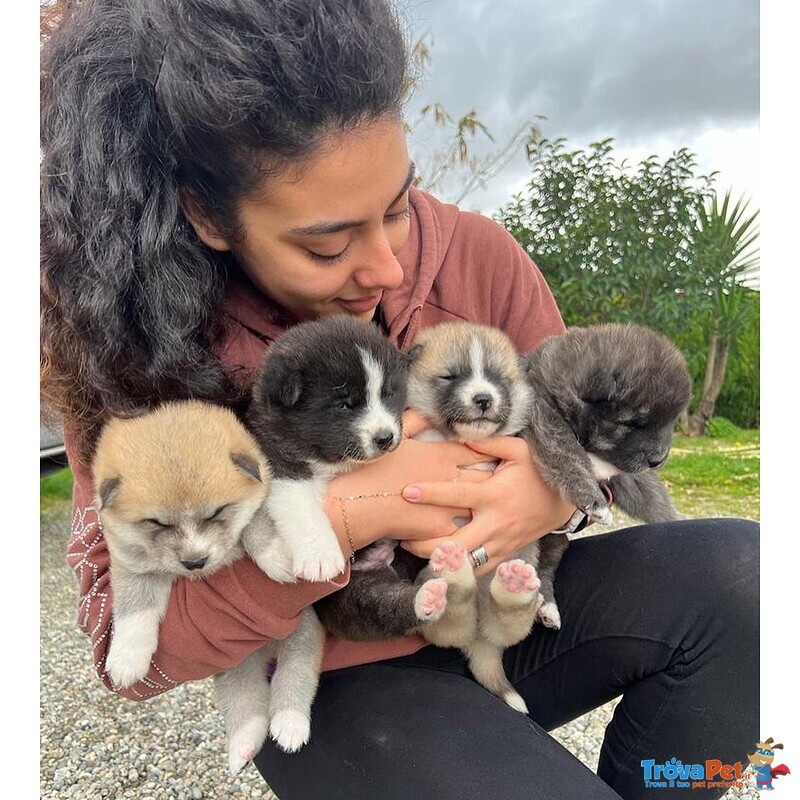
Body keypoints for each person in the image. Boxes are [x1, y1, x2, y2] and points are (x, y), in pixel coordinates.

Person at [40, 1, 758, 798]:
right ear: (207, 214)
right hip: (340, 673)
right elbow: (129, 656)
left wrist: (549, 495)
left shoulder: (481, 257)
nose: (385, 265)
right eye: (327, 243)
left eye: (399, 207)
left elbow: (590, 451)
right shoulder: (130, 344)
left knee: (751, 576)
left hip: (499, 607)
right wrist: (353, 512)